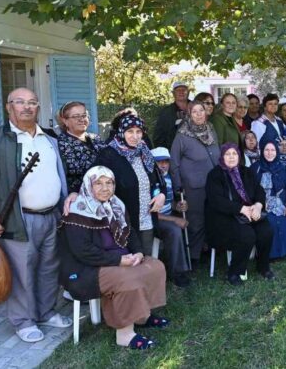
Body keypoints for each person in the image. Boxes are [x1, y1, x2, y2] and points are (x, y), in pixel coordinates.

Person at [0, 88, 72, 343]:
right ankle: (23, 321)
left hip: (51, 215)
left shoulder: (49, 138)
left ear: (38, 107)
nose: (27, 107)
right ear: (8, 107)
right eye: (20, 102)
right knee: (22, 271)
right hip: (18, 217)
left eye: (32, 103)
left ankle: (45, 312)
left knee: (48, 268)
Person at [58, 166, 168, 349]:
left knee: (155, 266)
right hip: (87, 269)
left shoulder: (116, 204)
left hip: (118, 258)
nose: (105, 188)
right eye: (98, 183)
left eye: (109, 183)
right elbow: (82, 251)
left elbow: (130, 232)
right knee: (126, 279)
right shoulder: (77, 210)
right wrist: (118, 261)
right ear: (88, 185)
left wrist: (139, 252)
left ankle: (141, 316)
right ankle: (124, 334)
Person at [94, 115, 166, 257]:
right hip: (123, 219)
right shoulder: (109, 154)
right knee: (130, 260)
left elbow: (159, 180)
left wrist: (161, 195)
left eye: (138, 132)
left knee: (146, 256)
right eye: (130, 131)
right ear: (121, 132)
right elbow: (94, 180)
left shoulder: (144, 152)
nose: (135, 136)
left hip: (146, 216)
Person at [205, 143, 275, 285]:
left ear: (239, 155)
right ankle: (235, 272)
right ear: (222, 156)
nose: (231, 157)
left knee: (266, 230)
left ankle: (263, 266)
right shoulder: (215, 175)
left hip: (249, 213)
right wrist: (242, 209)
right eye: (227, 154)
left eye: (234, 154)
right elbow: (217, 201)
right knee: (246, 235)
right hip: (224, 217)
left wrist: (257, 205)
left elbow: (259, 191)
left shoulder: (246, 171)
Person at [169, 101, 220, 265]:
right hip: (193, 186)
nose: (199, 114)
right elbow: (174, 163)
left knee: (211, 218)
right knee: (196, 222)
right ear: (189, 114)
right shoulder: (182, 135)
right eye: (194, 111)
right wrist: (178, 187)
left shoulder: (211, 129)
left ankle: (207, 250)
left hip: (212, 184)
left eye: (201, 110)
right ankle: (194, 257)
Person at [252, 141, 286, 261]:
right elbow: (250, 189)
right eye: (267, 150)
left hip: (282, 203)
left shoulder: (283, 168)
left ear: (277, 152)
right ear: (262, 151)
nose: (270, 153)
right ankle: (272, 254)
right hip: (262, 203)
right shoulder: (255, 168)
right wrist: (257, 205)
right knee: (270, 221)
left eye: (273, 150)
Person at [150, 147, 192, 287]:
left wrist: (177, 206)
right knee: (174, 229)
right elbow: (150, 211)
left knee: (187, 221)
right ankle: (178, 273)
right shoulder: (150, 180)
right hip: (153, 220)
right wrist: (175, 219)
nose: (163, 165)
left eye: (166, 161)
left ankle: (189, 260)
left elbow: (169, 203)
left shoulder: (169, 177)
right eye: (159, 162)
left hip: (166, 214)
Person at [57, 101, 105, 193]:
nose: (81, 119)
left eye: (84, 115)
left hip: (104, 192)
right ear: (65, 121)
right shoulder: (61, 143)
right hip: (78, 196)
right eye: (76, 116)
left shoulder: (95, 138)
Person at [154, 81, 190, 149]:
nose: (181, 92)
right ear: (173, 93)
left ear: (188, 92)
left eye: (183, 90)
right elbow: (158, 137)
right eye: (178, 90)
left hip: (194, 153)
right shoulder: (166, 112)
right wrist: (164, 155)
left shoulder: (196, 108)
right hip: (173, 153)